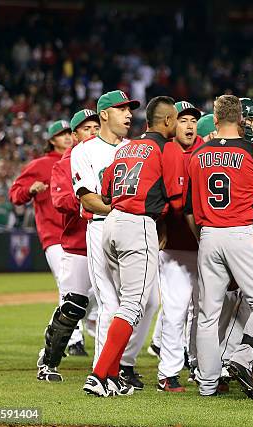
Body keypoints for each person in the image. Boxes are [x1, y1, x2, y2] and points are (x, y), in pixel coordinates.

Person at [83, 95, 185, 397]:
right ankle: (99, 376)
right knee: (133, 305)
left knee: (123, 303)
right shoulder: (167, 148)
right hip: (138, 225)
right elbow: (177, 201)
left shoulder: (128, 148)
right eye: (176, 119)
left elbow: (105, 192)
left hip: (112, 222)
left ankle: (112, 377)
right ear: (168, 121)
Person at [185, 95, 253, 399]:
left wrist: (202, 237)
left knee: (207, 314)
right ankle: (241, 356)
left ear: (215, 119)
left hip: (209, 234)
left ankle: (207, 385)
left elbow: (189, 211)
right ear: (241, 120)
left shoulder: (198, 154)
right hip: (242, 232)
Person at [71, 90, 155, 390]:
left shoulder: (135, 147)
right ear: (104, 114)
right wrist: (125, 208)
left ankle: (119, 366)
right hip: (100, 228)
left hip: (131, 227)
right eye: (121, 109)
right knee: (110, 303)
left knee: (147, 301)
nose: (129, 114)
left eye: (130, 109)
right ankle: (101, 374)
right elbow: (88, 198)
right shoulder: (84, 150)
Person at [35, 110, 100, 382]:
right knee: (72, 305)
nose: (93, 132)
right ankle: (48, 362)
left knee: (114, 305)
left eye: (96, 126)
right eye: (86, 128)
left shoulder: (114, 155)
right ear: (75, 136)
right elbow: (62, 201)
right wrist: (90, 199)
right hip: (77, 243)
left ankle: (110, 368)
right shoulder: (65, 162)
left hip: (108, 243)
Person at [9, 119, 73, 381]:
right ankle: (70, 340)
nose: (67, 137)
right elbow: (15, 194)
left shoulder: (77, 159)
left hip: (78, 236)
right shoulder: (38, 165)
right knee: (69, 289)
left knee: (87, 293)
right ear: (51, 140)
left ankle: (83, 328)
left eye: (69, 132)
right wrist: (28, 190)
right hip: (53, 237)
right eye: (61, 134)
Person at [155, 100, 203, 392]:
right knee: (175, 310)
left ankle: (202, 368)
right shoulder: (164, 152)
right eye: (183, 120)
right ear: (172, 123)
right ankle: (169, 372)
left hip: (207, 247)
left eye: (193, 121)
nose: (189, 125)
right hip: (174, 246)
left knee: (207, 312)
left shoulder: (206, 153)